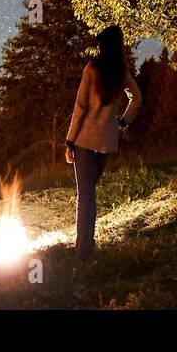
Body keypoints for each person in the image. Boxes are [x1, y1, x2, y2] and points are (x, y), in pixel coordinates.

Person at [64, 25, 142, 259]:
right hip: (107, 142)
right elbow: (137, 99)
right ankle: (87, 246)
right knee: (90, 193)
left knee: (85, 194)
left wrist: (69, 141)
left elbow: (80, 107)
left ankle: (83, 250)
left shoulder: (92, 69)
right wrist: (123, 122)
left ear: (102, 46)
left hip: (85, 140)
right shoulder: (121, 73)